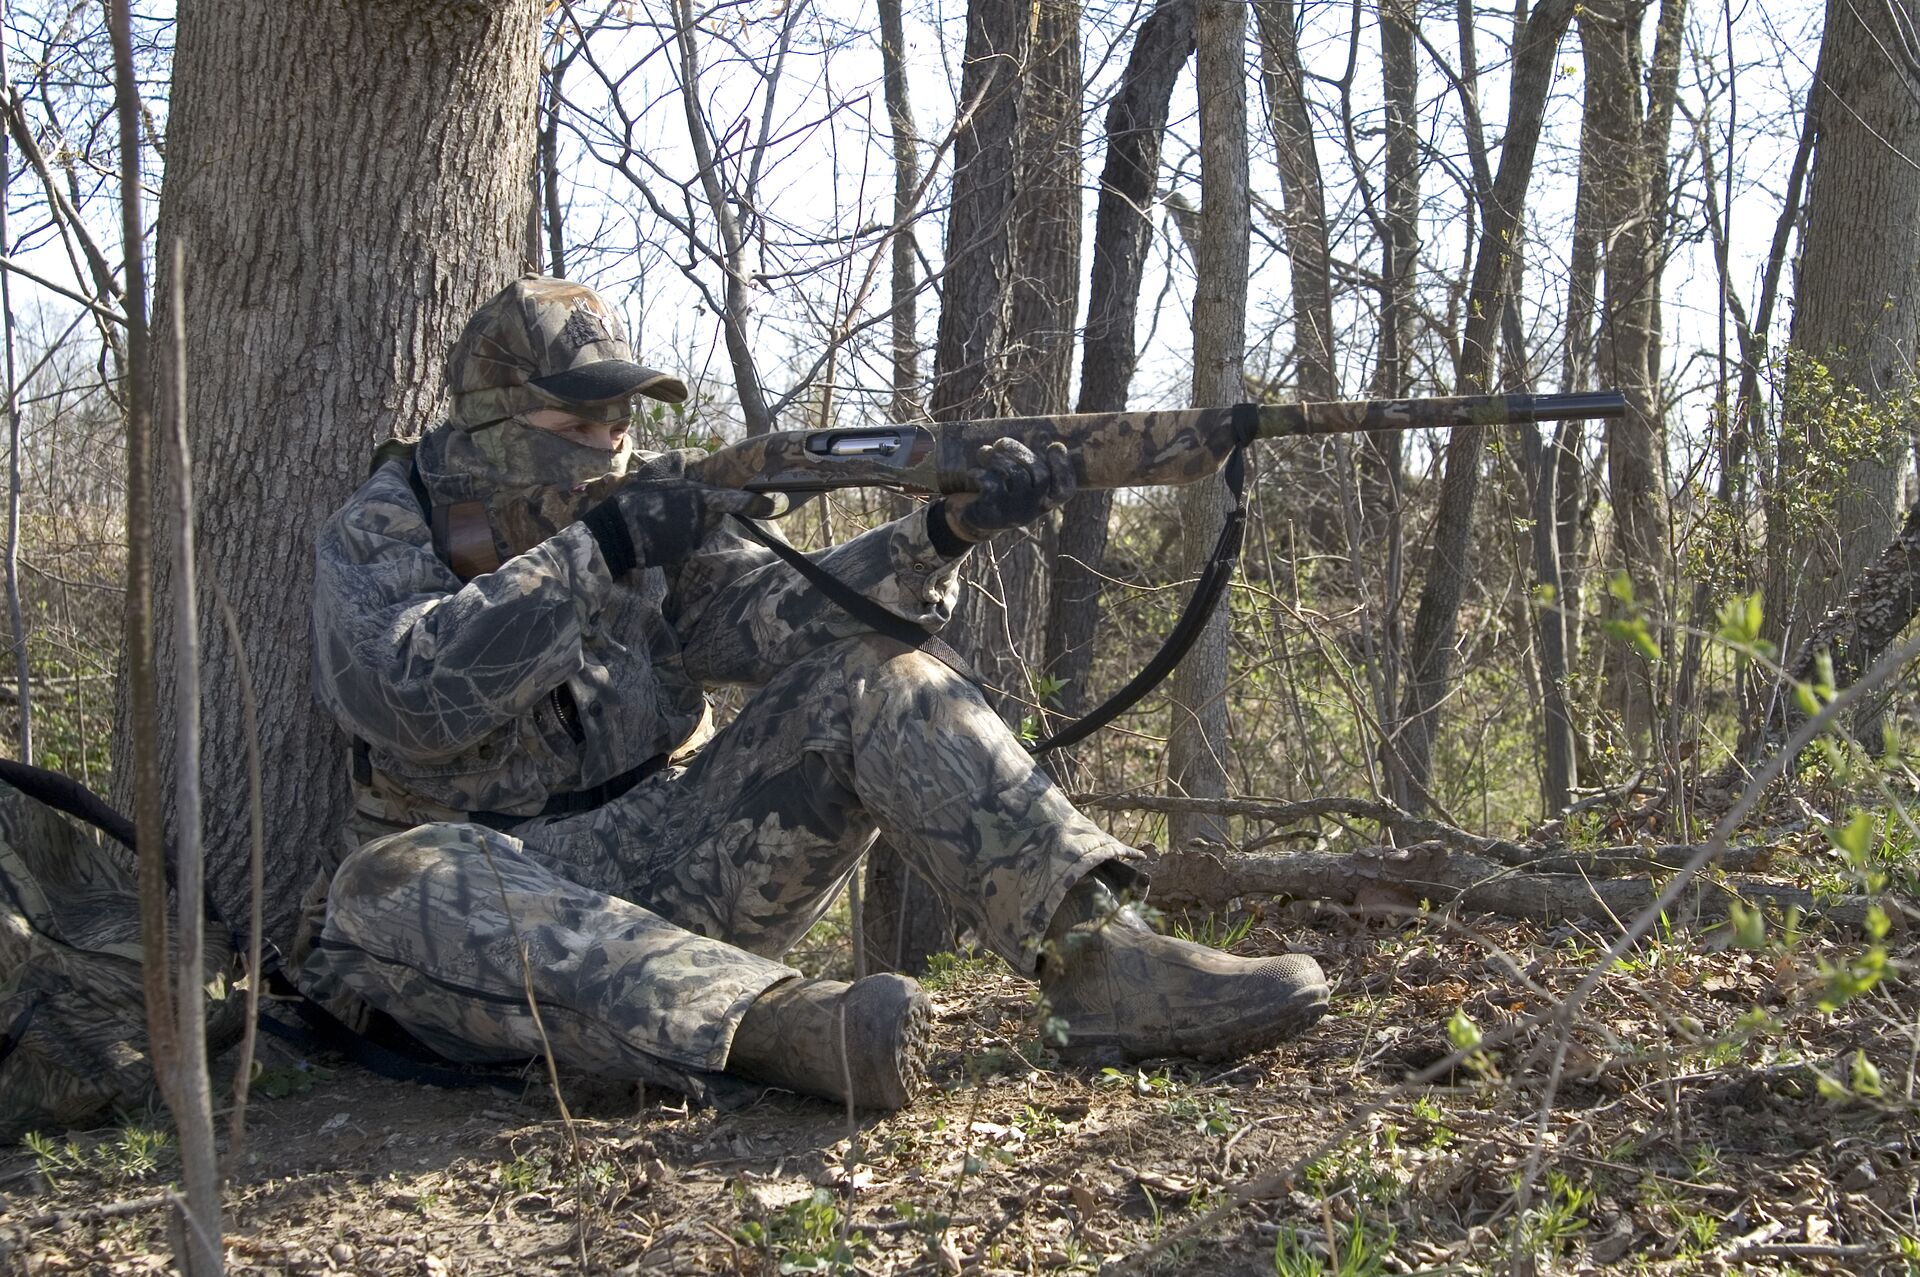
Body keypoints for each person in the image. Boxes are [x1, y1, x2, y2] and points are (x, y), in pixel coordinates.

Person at [294, 274, 1328, 1110]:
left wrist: (938, 536)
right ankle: (786, 1032)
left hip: (674, 858)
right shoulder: (384, 528)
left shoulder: (643, 500)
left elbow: (771, 619)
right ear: (496, 422)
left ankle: (1101, 960)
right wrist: (591, 551)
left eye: (622, 415)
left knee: (876, 674)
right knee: (388, 882)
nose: (613, 437)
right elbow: (404, 699)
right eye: (584, 415)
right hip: (495, 899)